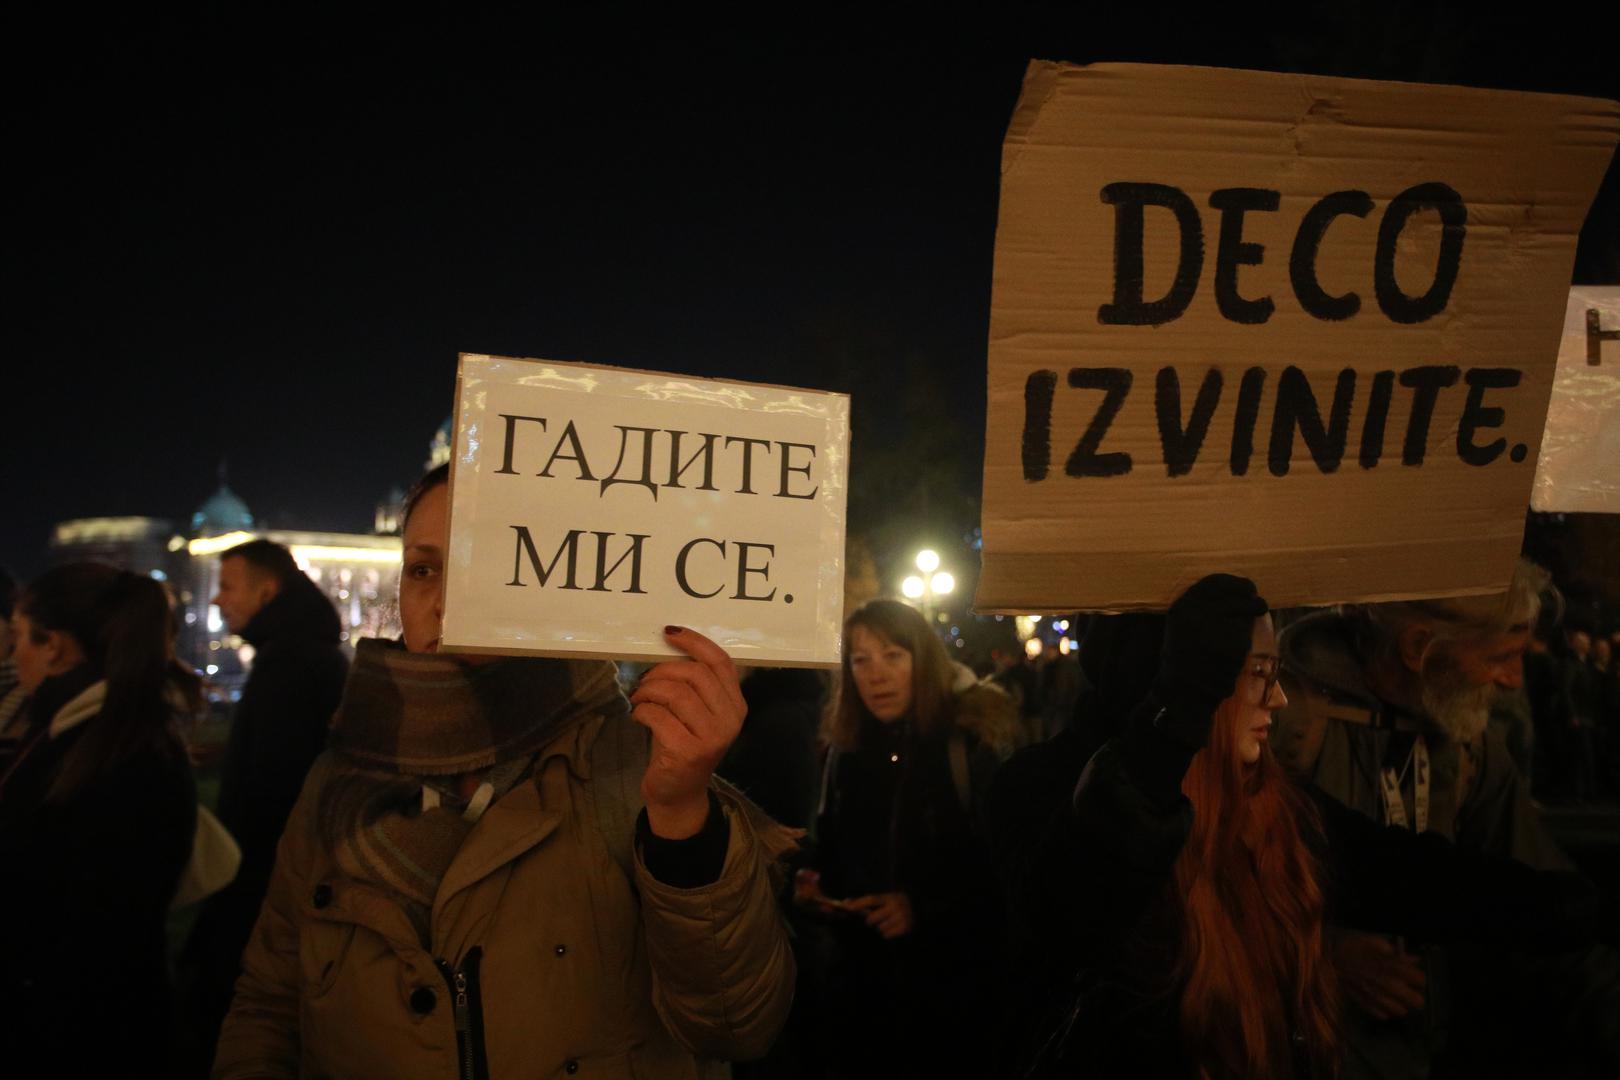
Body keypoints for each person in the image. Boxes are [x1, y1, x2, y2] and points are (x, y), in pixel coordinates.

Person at [213, 464, 796, 1078]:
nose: (444, 601)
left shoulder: (631, 766)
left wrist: (682, 817)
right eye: (423, 569)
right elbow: (269, 1006)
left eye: (484, 563)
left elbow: (737, 1023)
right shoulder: (336, 782)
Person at [1016, 574, 1612, 1079]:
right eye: (1254, 673)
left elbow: (1417, 878)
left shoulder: (1272, 802)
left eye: (1275, 671)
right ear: (1184, 682)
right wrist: (1175, 724)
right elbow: (1085, 907)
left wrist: (1583, 908)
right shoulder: (1042, 792)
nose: (1277, 698)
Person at [1272, 561, 1620, 1076]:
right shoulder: (1283, 722)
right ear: (1417, 648)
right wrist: (1324, 953)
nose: (1511, 681)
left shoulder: (1468, 747)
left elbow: (1547, 907)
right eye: (1501, 657)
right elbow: (1213, 890)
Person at [798, 598, 1009, 1079]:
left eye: (893, 656)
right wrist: (811, 883)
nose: (876, 674)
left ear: (922, 659)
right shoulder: (844, 752)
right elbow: (829, 845)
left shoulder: (966, 744)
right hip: (861, 989)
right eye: (861, 660)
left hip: (949, 991)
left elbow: (999, 866)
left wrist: (921, 906)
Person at [0, 563, 200, 1072]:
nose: (12, 651)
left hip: (80, 1035)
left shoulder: (115, 753)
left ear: (56, 646)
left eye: (22, 636)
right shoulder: (96, 733)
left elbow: (88, 922)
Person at [182, 539, 349, 1060]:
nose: (215, 600)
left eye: (228, 587)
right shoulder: (296, 652)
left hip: (261, 884)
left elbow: (277, 783)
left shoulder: (290, 663)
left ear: (267, 589)